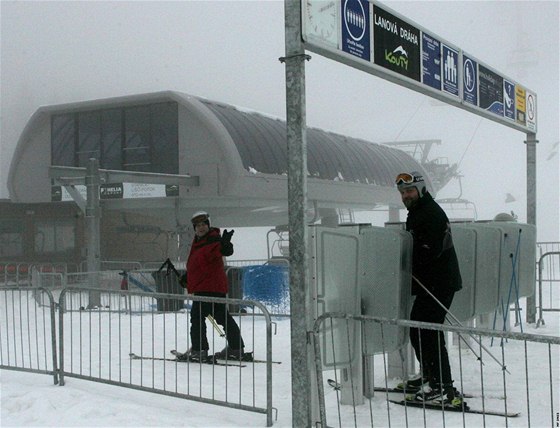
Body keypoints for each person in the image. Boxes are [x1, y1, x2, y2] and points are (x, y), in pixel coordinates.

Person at [395, 172, 464, 406]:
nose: (406, 195)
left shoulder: (430, 213)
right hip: (431, 282)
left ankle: (443, 386)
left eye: (410, 191)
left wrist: (405, 259)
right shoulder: (419, 212)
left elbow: (430, 249)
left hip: (439, 282)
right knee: (418, 329)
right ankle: (430, 375)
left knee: (429, 332)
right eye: (403, 192)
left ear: (421, 189)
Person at [178, 210, 245, 362]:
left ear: (208, 225)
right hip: (210, 286)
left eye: (203, 225)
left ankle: (199, 350)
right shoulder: (198, 243)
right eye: (198, 225)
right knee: (222, 318)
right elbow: (200, 264)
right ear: (194, 228)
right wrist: (188, 277)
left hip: (209, 288)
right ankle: (236, 348)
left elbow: (224, 250)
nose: (201, 228)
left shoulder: (213, 240)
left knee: (197, 318)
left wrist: (226, 244)